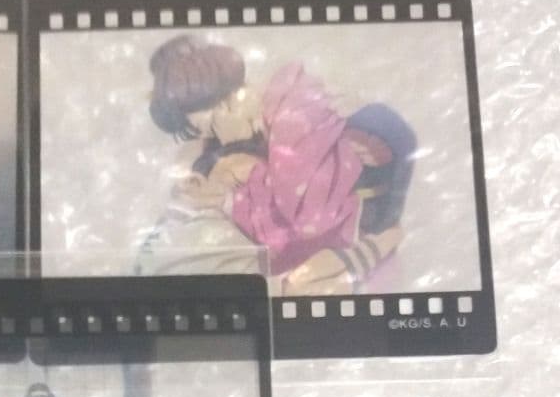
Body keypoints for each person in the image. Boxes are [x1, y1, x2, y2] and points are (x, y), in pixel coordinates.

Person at [142, 34, 416, 294]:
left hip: (360, 255)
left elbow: (308, 220)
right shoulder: (259, 130)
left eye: (212, 126)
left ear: (226, 104)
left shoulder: (291, 115)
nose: (218, 137)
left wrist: (234, 192)